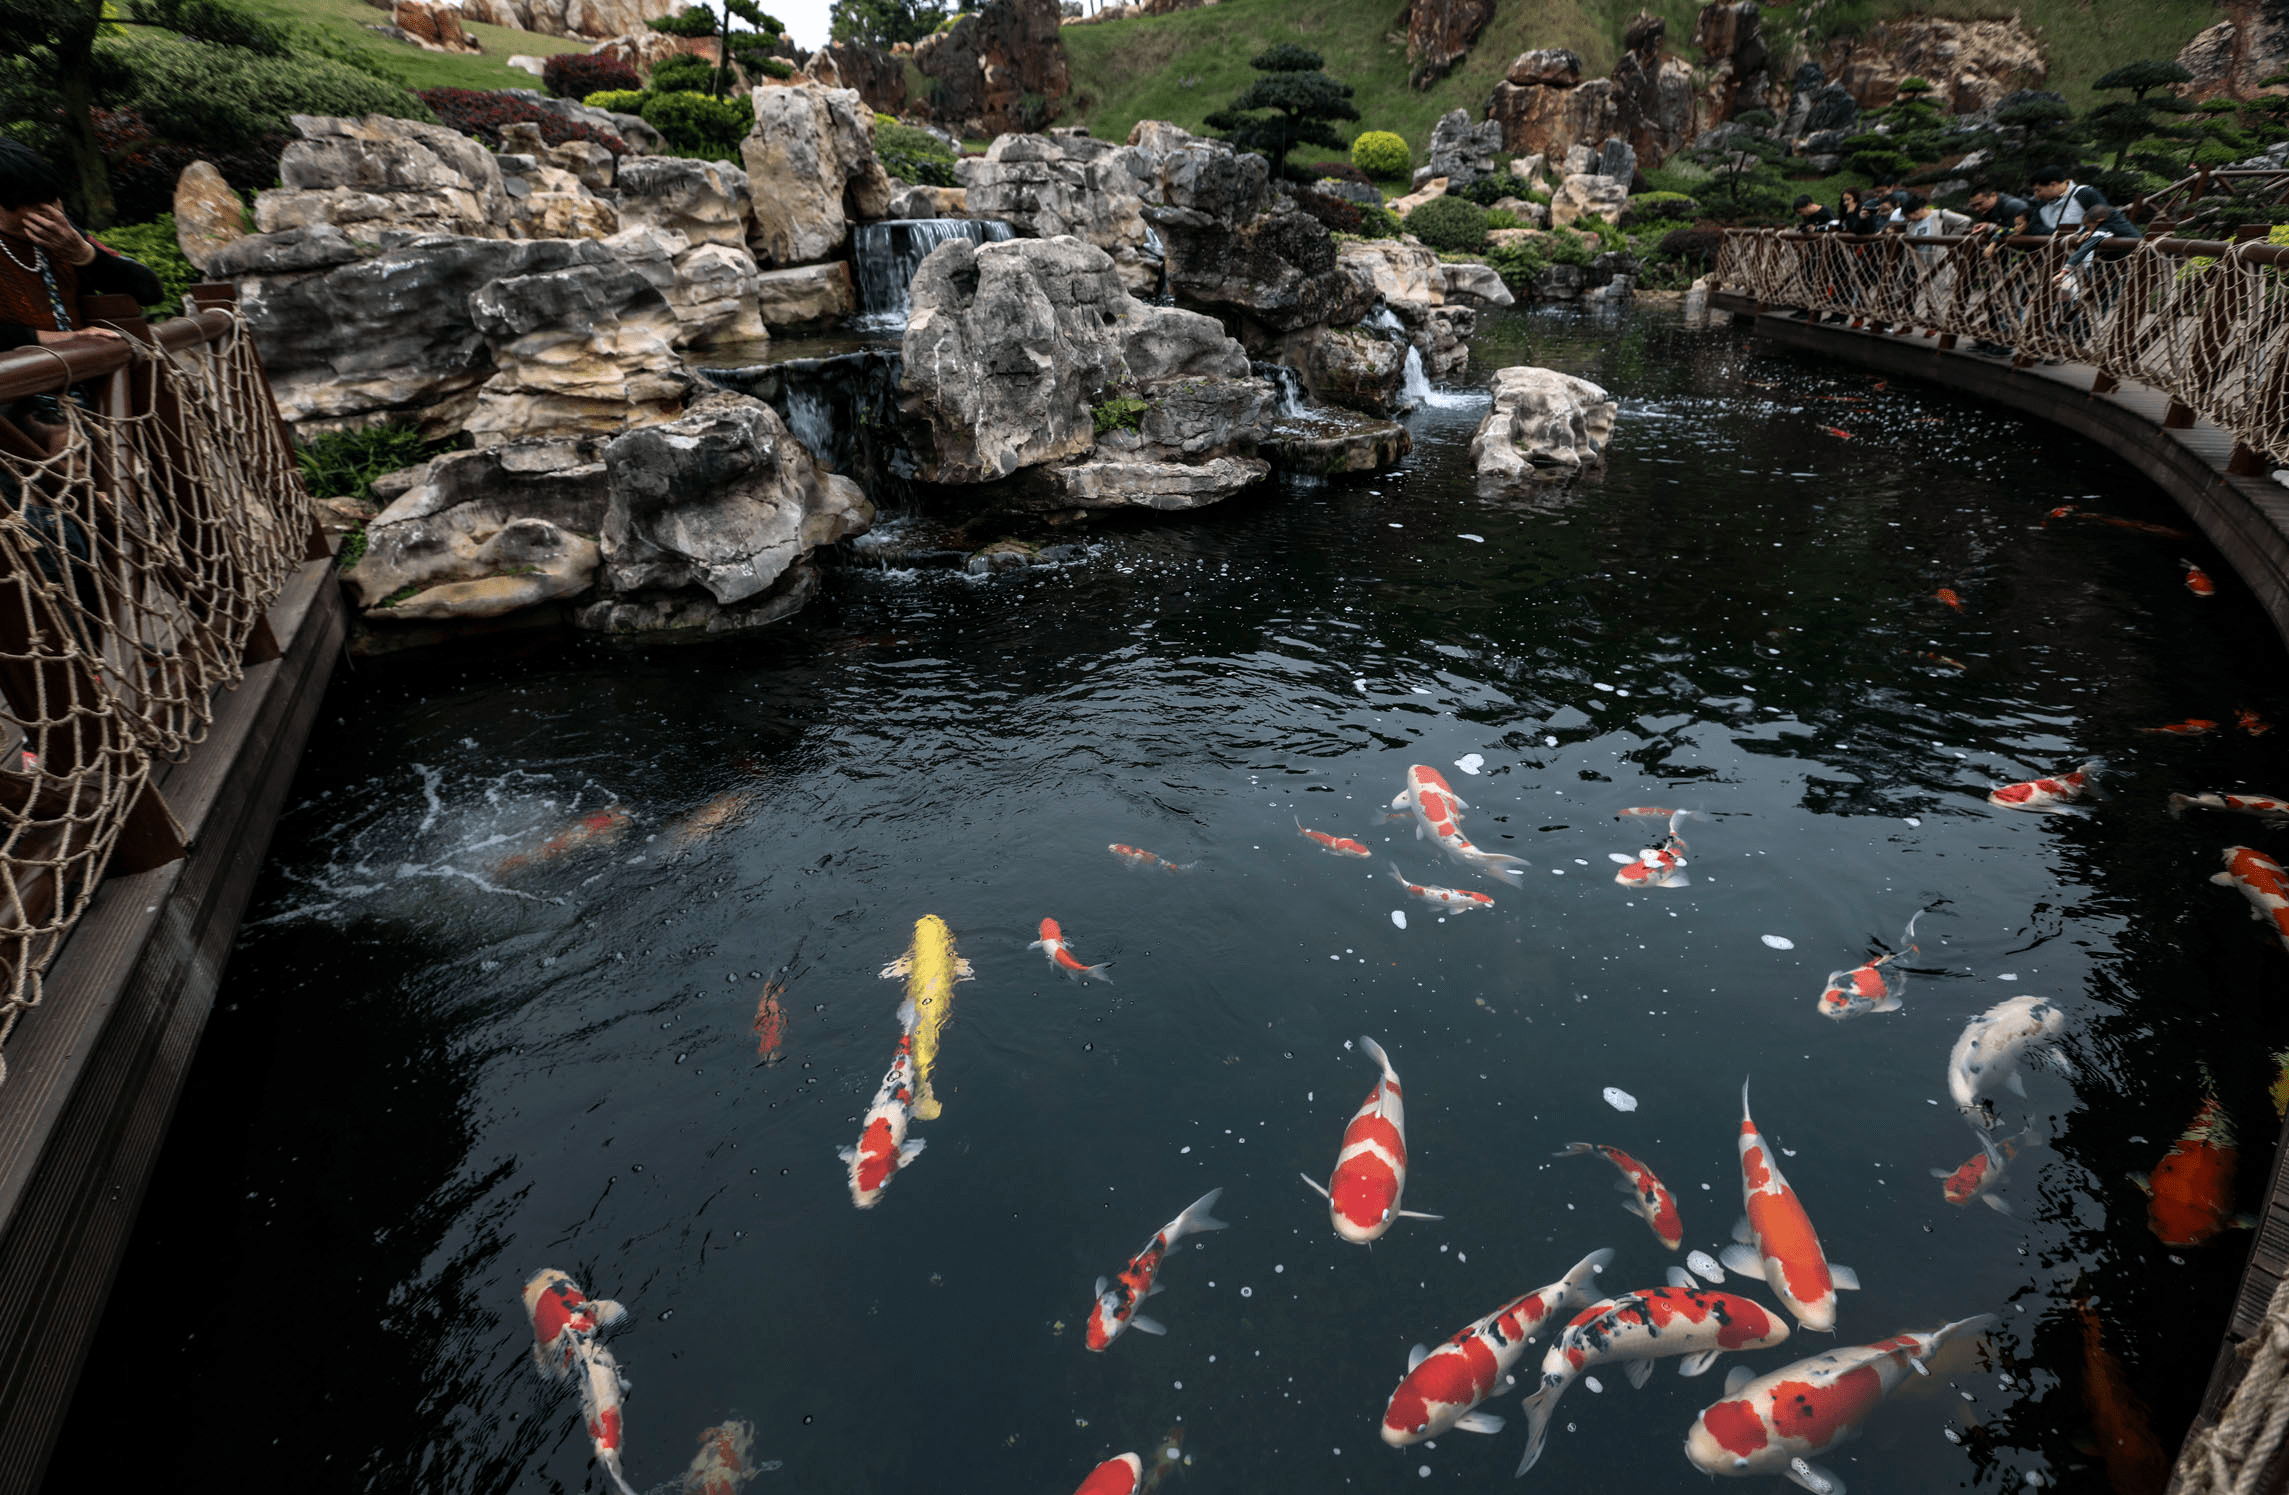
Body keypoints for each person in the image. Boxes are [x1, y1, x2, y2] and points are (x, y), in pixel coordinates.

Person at [0, 141, 162, 355]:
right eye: (32, 203)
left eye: (53, 199)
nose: (52, 212)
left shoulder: (64, 234)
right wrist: (66, 338)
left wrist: (84, 254)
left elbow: (150, 292)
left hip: (82, 374)